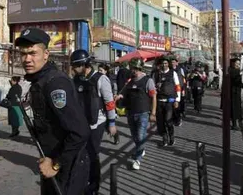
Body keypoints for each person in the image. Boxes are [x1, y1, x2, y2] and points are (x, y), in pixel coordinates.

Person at [14, 27, 90, 195]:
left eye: (33, 53)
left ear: (46, 54)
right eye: (23, 54)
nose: (27, 59)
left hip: (68, 165)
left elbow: (80, 132)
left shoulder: (55, 83)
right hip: (51, 160)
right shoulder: (39, 81)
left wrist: (56, 163)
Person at [70, 49, 117, 195]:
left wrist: (112, 123)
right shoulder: (75, 80)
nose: (73, 69)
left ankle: (94, 185)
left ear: (85, 64)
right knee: (80, 154)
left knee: (92, 154)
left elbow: (109, 103)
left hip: (97, 123)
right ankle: (82, 181)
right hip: (81, 123)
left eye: (76, 66)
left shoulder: (101, 79)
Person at [115, 58, 157, 170]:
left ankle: (137, 160)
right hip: (130, 112)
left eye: (136, 69)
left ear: (140, 68)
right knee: (135, 136)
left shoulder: (148, 80)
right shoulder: (129, 81)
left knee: (140, 135)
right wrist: (119, 96)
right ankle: (141, 149)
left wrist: (153, 113)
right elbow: (124, 93)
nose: (134, 71)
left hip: (143, 113)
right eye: (133, 69)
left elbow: (153, 97)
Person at [153, 56, 181, 146]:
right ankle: (164, 138)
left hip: (170, 101)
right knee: (160, 122)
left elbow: (177, 86)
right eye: (162, 63)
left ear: (168, 64)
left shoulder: (173, 73)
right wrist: (156, 86)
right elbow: (152, 88)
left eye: (165, 63)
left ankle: (171, 137)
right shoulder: (156, 74)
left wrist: (177, 100)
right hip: (159, 101)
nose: (164, 65)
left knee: (168, 120)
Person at [171, 56, 187, 125]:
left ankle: (178, 117)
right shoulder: (169, 70)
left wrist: (183, 89)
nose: (172, 63)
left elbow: (183, 79)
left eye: (174, 62)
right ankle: (173, 118)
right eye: (171, 62)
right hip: (171, 90)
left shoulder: (180, 69)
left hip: (179, 89)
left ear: (177, 63)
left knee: (179, 104)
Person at [230, 58, 243, 130]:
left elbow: (238, 82)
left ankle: (235, 123)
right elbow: (235, 80)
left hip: (236, 91)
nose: (238, 65)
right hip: (233, 92)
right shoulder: (232, 70)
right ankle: (234, 125)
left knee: (236, 107)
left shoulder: (235, 70)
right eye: (236, 63)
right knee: (234, 108)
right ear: (232, 63)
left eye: (239, 63)